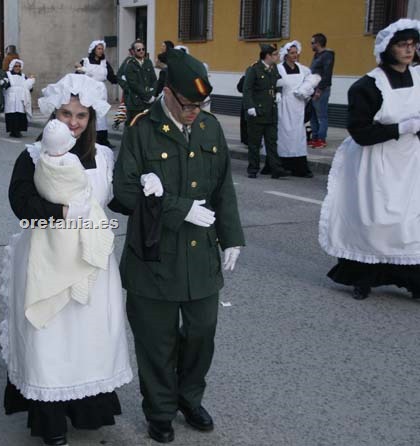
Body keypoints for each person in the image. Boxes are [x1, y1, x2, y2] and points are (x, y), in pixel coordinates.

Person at [112, 49, 245, 444]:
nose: (194, 112)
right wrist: (177, 208)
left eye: (201, 104)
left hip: (200, 257)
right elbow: (123, 192)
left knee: (202, 332)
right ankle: (160, 410)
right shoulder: (141, 128)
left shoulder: (209, 128)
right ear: (167, 93)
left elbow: (224, 188)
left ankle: (189, 398)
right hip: (154, 257)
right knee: (157, 340)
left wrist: (232, 237)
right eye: (188, 104)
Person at [2, 73, 132, 446]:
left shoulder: (104, 157)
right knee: (52, 342)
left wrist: (149, 187)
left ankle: (85, 409)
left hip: (92, 264)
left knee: (88, 340)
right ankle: (52, 421)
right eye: (65, 114)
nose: (73, 123)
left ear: (92, 119)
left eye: (81, 115)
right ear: (51, 114)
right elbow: (22, 209)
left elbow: (118, 200)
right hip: (48, 263)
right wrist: (58, 213)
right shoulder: (32, 156)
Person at [319, 19, 420, 301]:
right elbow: (361, 131)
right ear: (388, 48)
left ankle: (411, 278)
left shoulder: (419, 78)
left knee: (409, 222)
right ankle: (363, 277)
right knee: (376, 220)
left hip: (410, 161)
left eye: (412, 45)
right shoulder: (367, 86)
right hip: (376, 162)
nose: (409, 50)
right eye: (402, 45)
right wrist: (402, 128)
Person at [242, 43, 290, 179]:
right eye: (275, 54)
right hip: (257, 112)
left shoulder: (273, 68)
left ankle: (276, 169)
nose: (277, 57)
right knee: (254, 143)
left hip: (271, 112)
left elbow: (278, 82)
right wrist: (250, 106)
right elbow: (247, 89)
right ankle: (253, 169)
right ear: (267, 55)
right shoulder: (254, 69)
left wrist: (279, 92)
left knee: (272, 142)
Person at [276, 40, 319, 178]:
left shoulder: (303, 69)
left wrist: (307, 92)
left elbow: (310, 84)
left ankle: (299, 166)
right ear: (286, 54)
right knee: (284, 135)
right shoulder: (279, 69)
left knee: (298, 136)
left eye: (296, 53)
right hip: (284, 105)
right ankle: (283, 164)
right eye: (292, 53)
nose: (295, 55)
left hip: (299, 106)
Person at [76, 40, 118, 147]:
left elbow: (112, 77)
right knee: (89, 114)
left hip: (100, 91)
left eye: (102, 49)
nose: (101, 51)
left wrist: (124, 79)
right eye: (99, 48)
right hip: (89, 90)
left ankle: (102, 140)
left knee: (101, 115)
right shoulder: (85, 61)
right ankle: (87, 139)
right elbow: (77, 76)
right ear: (93, 49)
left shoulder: (105, 63)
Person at [309, 33, 335, 148]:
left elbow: (327, 74)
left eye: (312, 43)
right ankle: (314, 137)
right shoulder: (317, 55)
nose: (311, 45)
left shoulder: (327, 55)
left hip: (321, 89)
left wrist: (319, 90)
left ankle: (321, 139)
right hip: (312, 88)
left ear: (318, 43)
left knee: (321, 115)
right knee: (313, 115)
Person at [123, 40, 157, 122]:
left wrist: (152, 94)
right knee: (135, 128)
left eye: (143, 49)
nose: (141, 51)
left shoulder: (148, 62)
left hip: (149, 102)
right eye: (138, 49)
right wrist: (147, 96)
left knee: (148, 128)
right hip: (136, 102)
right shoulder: (130, 65)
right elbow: (133, 84)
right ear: (133, 51)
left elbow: (154, 80)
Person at [3, 58, 35, 138]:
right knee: (12, 114)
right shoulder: (7, 74)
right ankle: (12, 131)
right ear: (12, 67)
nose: (17, 68)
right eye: (16, 66)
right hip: (11, 98)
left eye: (19, 66)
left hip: (21, 98)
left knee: (20, 114)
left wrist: (31, 83)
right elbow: (4, 85)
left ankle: (18, 131)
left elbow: (28, 86)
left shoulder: (23, 76)